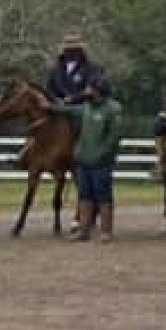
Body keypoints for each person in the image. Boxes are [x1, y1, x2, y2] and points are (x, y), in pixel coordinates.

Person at [57, 78, 124, 243]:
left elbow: (114, 137)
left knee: (103, 196)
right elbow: (66, 111)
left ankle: (106, 231)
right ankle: (84, 230)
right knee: (84, 196)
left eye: (89, 89)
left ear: (97, 90)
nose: (86, 91)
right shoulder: (85, 108)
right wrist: (46, 105)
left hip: (101, 162)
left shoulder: (112, 110)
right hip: (84, 159)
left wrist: (103, 154)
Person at [45, 32, 103, 105]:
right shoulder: (55, 69)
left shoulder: (92, 68)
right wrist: (57, 100)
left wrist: (74, 98)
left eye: (75, 50)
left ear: (80, 51)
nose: (71, 53)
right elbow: (49, 89)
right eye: (68, 50)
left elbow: (91, 89)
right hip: (58, 107)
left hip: (83, 108)